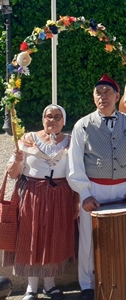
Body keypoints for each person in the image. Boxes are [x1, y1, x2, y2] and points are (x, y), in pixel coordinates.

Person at [67, 74, 126, 300]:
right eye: (98, 93)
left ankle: (125, 279)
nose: (103, 96)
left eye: (107, 92)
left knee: (124, 235)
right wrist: (84, 193)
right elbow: (75, 162)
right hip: (94, 189)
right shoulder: (82, 125)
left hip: (124, 190)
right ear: (94, 98)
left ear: (117, 96)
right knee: (89, 238)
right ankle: (88, 285)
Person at [5, 105, 75, 300]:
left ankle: (50, 285)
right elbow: (13, 174)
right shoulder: (28, 140)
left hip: (60, 195)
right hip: (33, 194)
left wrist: (76, 200)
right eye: (48, 116)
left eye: (57, 117)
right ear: (43, 119)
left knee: (54, 238)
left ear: (64, 121)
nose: (52, 120)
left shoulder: (70, 142)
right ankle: (31, 287)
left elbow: (76, 172)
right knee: (31, 237)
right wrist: (18, 160)